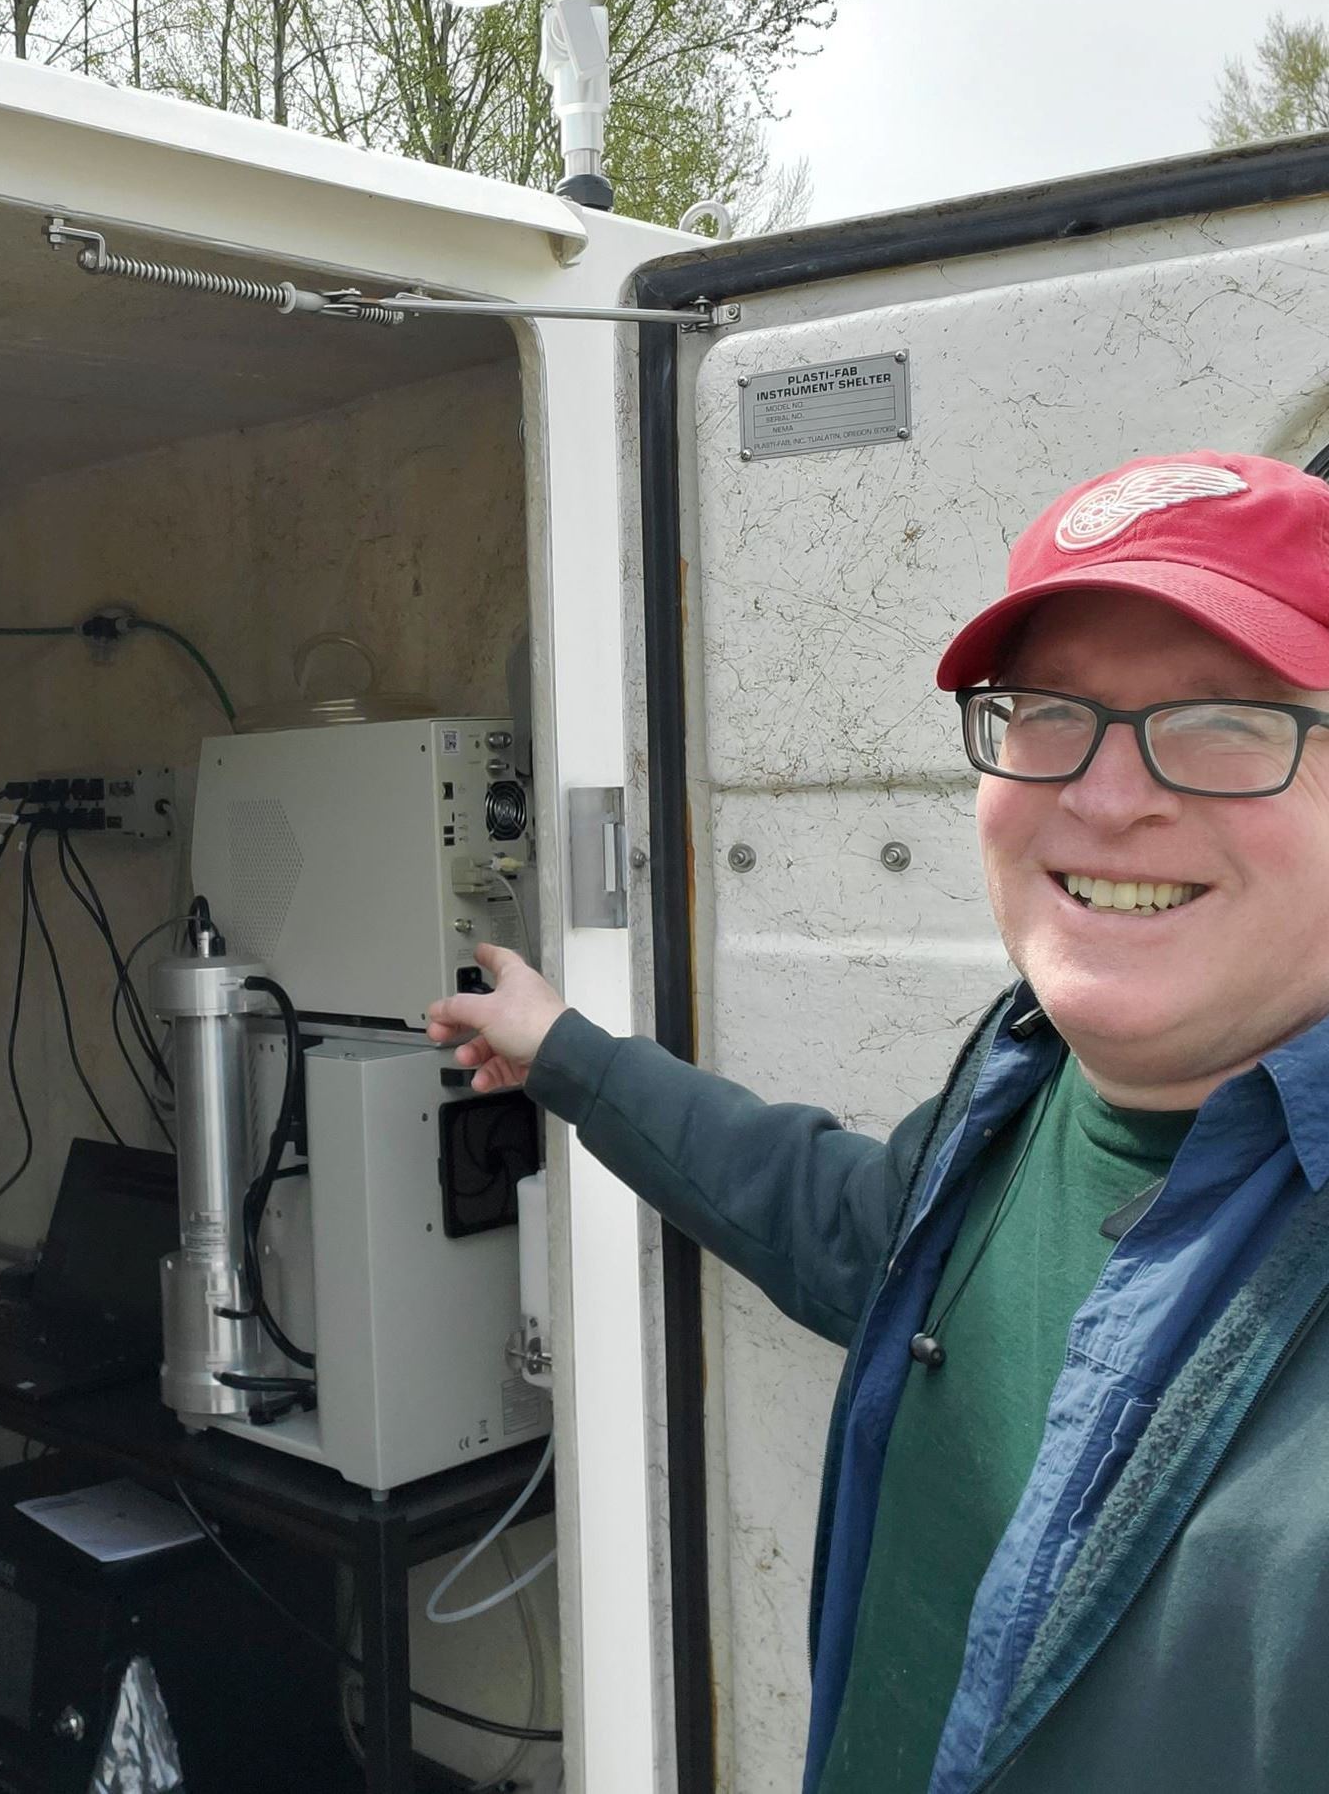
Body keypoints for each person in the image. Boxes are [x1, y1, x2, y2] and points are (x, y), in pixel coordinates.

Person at [430, 451, 1329, 1794]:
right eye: (1047, 712)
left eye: (1226, 718)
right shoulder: (1021, 1084)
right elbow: (847, 1222)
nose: (1107, 793)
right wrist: (566, 1051)